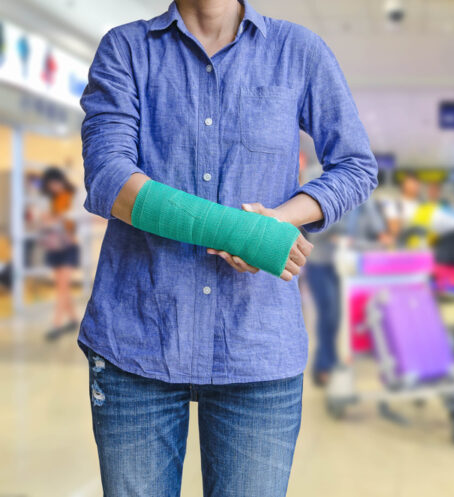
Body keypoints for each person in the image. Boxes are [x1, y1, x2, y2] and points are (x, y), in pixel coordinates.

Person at [78, 1, 377, 495]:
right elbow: (111, 179)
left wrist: (275, 223)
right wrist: (239, 234)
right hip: (137, 341)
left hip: (256, 351)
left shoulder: (298, 50)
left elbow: (355, 166)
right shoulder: (126, 48)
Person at [39, 167, 80, 341]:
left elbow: (74, 218)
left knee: (62, 287)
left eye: (54, 183)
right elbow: (46, 221)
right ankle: (72, 319)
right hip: (55, 246)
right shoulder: (54, 200)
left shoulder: (74, 197)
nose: (53, 187)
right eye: (50, 185)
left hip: (69, 247)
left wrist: (55, 218)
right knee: (61, 286)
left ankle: (56, 325)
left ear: (61, 180)